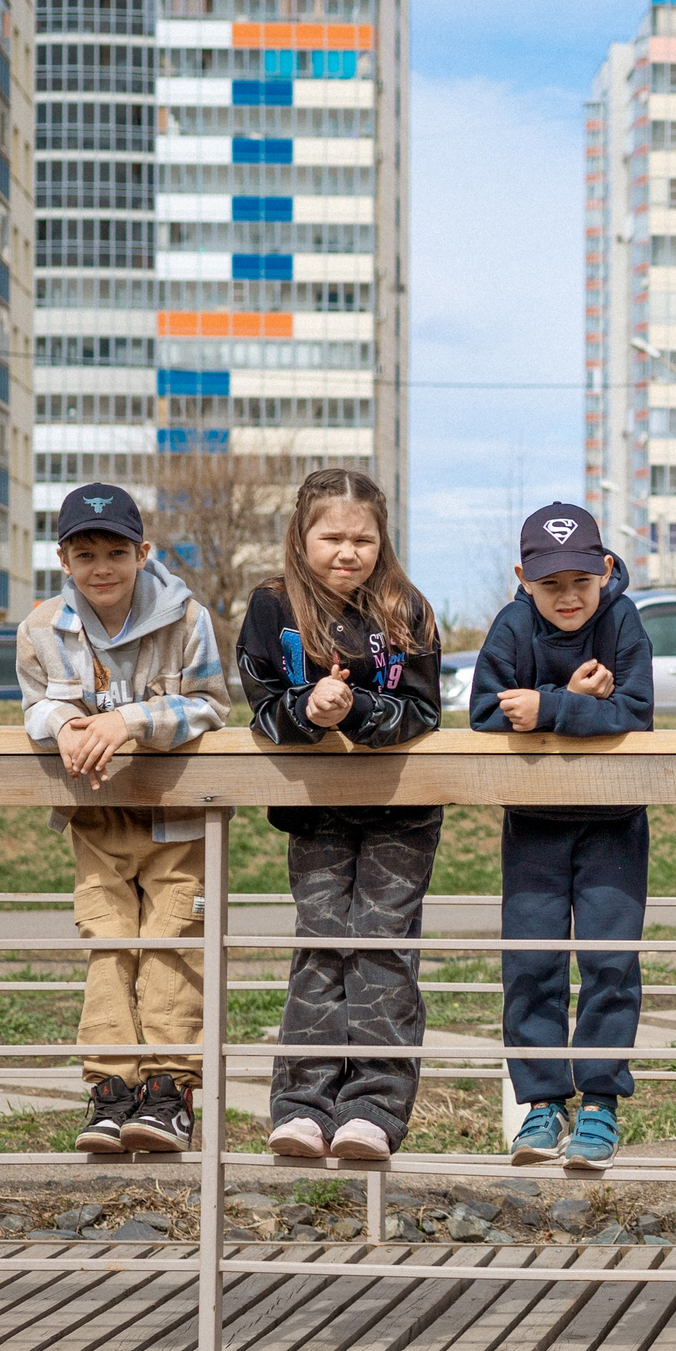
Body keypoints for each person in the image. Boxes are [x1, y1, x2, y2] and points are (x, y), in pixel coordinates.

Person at [15, 484, 231, 1155]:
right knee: (108, 946)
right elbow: (34, 709)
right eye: (86, 554)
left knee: (171, 948)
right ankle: (109, 1089)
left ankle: (168, 1093)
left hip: (177, 824)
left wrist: (124, 720)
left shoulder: (187, 619)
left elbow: (210, 707)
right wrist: (65, 722)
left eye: (116, 551)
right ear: (63, 559)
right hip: (98, 824)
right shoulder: (40, 629)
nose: (102, 566)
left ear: (144, 552)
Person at [238, 468, 443, 1162]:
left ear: (383, 540)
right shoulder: (272, 606)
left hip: (401, 811)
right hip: (316, 809)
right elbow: (263, 707)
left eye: (363, 538)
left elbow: (422, 711)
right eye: (332, 536)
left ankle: (375, 1111)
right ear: (301, 535)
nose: (348, 551)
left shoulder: (407, 607)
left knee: (381, 946)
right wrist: (307, 712)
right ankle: (303, 1106)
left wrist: (354, 709)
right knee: (321, 945)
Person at [471, 503, 656, 1169]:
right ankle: (543, 1104)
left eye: (582, 580)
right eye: (551, 584)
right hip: (534, 825)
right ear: (524, 578)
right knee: (532, 963)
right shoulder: (511, 625)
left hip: (614, 823)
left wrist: (551, 705)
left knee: (611, 961)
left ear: (606, 570)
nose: (568, 596)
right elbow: (487, 713)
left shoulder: (624, 621)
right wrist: (577, 703)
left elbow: (635, 712)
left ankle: (602, 1105)